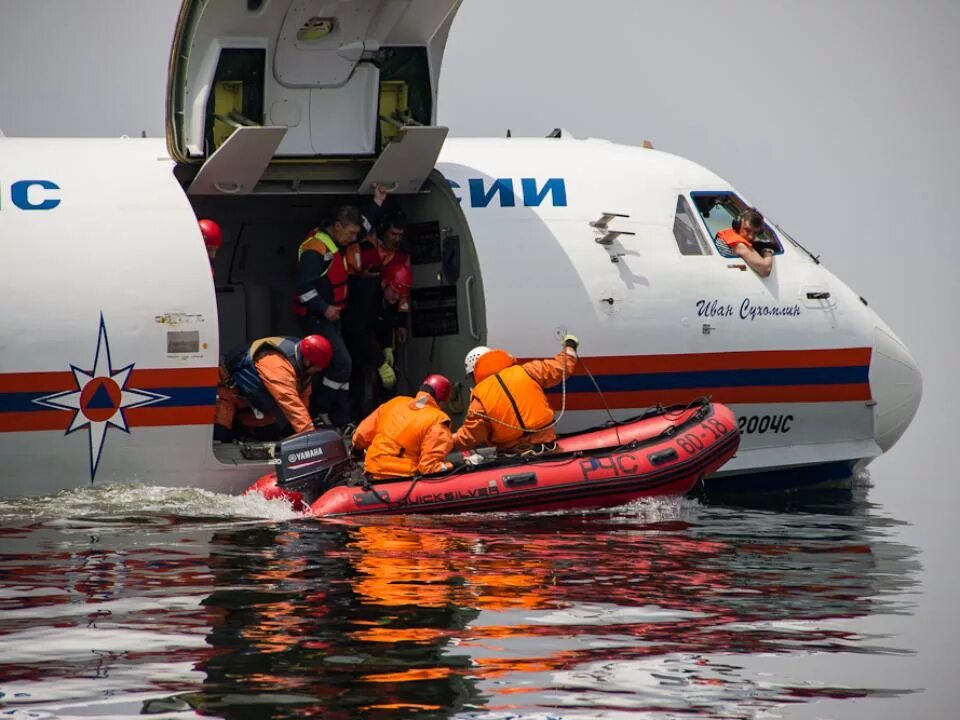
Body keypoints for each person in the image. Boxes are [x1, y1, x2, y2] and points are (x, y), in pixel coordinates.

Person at [295, 205, 363, 428]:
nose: (354, 238)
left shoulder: (335, 242)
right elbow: (303, 287)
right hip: (317, 316)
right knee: (342, 364)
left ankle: (341, 416)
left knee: (344, 367)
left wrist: (377, 201)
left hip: (332, 317)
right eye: (351, 233)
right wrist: (324, 308)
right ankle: (319, 410)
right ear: (337, 226)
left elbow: (367, 224)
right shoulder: (316, 249)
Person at [453, 336, 580, 453]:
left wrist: (447, 440)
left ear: (473, 373)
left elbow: (470, 436)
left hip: (513, 457)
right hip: (548, 449)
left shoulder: (480, 398)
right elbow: (561, 367)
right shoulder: (528, 371)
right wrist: (570, 346)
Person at [214, 335, 333, 443]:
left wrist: (304, 431)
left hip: (250, 403)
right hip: (227, 393)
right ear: (308, 362)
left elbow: (303, 402)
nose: (320, 370)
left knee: (270, 434)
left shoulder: (303, 369)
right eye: (318, 366)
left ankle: (240, 427)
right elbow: (290, 402)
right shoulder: (277, 364)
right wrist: (310, 438)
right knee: (221, 435)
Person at [352, 374, 457, 480]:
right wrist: (452, 465)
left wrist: (357, 450)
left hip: (372, 468)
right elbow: (429, 467)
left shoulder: (396, 402)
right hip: (401, 476)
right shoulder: (438, 420)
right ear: (443, 400)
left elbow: (361, 434)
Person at [715, 208, 774, 277]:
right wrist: (767, 252)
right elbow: (765, 270)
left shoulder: (728, 236)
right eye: (747, 230)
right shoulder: (739, 244)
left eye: (755, 233)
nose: (751, 237)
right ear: (738, 225)